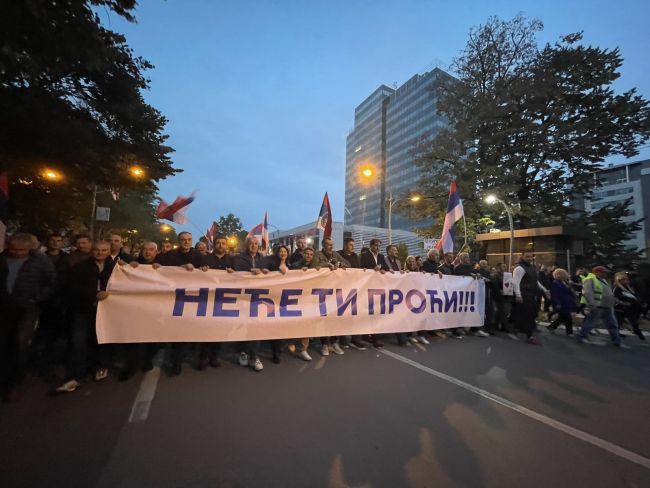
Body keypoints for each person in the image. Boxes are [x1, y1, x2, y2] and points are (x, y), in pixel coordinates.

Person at [0, 233, 56, 402]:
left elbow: (52, 282)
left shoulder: (40, 261)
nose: (17, 253)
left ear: (29, 248)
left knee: (20, 344)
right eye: (13, 249)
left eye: (21, 250)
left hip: (27, 308)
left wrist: (38, 297)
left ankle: (13, 383)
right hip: (4, 307)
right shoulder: (2, 259)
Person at [55, 241, 115, 393]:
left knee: (101, 339)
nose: (100, 253)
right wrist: (93, 295)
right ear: (91, 251)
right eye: (97, 250)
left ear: (109, 251)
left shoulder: (117, 268)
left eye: (104, 250)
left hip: (106, 312)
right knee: (78, 342)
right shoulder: (80, 268)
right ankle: (75, 376)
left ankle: (100, 366)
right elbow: (71, 288)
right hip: (83, 310)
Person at [157, 232, 204, 376]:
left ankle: (184, 361)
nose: (186, 242)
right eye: (183, 240)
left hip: (193, 298)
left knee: (190, 331)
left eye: (189, 240)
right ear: (178, 241)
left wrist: (203, 269)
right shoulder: (169, 256)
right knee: (176, 331)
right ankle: (175, 360)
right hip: (173, 297)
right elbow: (160, 270)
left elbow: (207, 272)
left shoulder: (199, 256)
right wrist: (180, 268)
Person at [117, 241, 161, 381]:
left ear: (156, 252)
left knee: (152, 339)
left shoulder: (163, 266)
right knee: (136, 340)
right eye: (145, 249)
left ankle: (147, 361)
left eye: (151, 249)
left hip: (155, 309)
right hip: (136, 308)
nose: (148, 252)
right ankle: (131, 368)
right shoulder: (133, 263)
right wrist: (127, 267)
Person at [231, 236, 268, 371]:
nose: (253, 246)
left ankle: (254, 356)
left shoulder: (264, 259)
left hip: (258, 298)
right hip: (242, 298)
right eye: (251, 244)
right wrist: (249, 272)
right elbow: (235, 272)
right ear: (247, 245)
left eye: (255, 244)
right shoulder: (238, 258)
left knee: (256, 326)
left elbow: (270, 271)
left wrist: (266, 272)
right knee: (242, 325)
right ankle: (243, 352)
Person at [312, 237, 349, 356]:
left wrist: (339, 263)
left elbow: (348, 264)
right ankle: (324, 344)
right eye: (328, 245)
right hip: (322, 290)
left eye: (332, 245)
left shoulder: (335, 254)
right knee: (324, 317)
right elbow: (314, 265)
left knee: (336, 316)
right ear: (323, 245)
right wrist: (327, 265)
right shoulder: (317, 254)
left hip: (335, 290)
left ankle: (334, 342)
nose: (331, 247)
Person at [578, 266, 627, 348]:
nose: (605, 274)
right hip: (597, 306)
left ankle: (617, 341)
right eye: (603, 272)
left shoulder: (603, 280)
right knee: (590, 322)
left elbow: (608, 293)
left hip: (607, 306)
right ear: (597, 272)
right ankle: (582, 336)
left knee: (613, 324)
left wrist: (616, 301)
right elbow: (587, 293)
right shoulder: (590, 279)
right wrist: (592, 304)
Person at [512, 251, 549, 345]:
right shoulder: (519, 268)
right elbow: (515, 283)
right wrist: (518, 295)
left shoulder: (531, 268)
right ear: (522, 257)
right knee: (527, 315)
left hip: (531, 294)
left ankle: (517, 329)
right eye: (527, 256)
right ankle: (529, 335)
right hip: (524, 294)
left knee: (528, 314)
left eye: (530, 256)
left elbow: (536, 282)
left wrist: (544, 290)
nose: (529, 258)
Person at [337, 238, 367, 350]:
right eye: (350, 245)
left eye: (353, 245)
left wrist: (363, 270)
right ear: (345, 245)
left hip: (354, 289)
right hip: (341, 288)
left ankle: (356, 340)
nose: (352, 247)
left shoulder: (355, 256)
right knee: (343, 315)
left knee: (356, 315)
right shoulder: (338, 254)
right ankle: (343, 340)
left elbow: (357, 269)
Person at [288, 247, 316, 361]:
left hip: (309, 299)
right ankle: (290, 343)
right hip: (296, 298)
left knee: (307, 323)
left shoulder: (316, 266)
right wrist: (300, 271)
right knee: (293, 323)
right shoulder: (295, 265)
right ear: (303, 254)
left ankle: (303, 350)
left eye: (311, 254)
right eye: (307, 253)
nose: (309, 256)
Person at [360, 238, 388, 347]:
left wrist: (383, 269)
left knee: (376, 312)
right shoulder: (365, 255)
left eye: (379, 246)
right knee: (367, 312)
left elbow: (385, 266)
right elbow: (362, 267)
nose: (377, 247)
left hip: (378, 287)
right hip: (367, 287)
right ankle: (366, 335)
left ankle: (375, 338)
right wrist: (373, 268)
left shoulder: (381, 257)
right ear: (371, 245)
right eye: (376, 245)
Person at [266, 245, 291, 363]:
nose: (282, 253)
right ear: (277, 253)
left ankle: (279, 350)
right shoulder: (271, 264)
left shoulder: (291, 265)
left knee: (282, 326)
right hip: (273, 299)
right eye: (280, 251)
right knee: (274, 326)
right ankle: (275, 352)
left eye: (284, 251)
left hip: (286, 300)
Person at [613, 272, 645, 341]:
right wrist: (628, 301)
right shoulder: (617, 288)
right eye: (624, 279)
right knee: (618, 321)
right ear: (620, 280)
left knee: (633, 321)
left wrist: (636, 301)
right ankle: (616, 335)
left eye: (627, 279)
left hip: (629, 308)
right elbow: (617, 297)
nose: (627, 280)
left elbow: (634, 295)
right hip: (619, 307)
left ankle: (638, 332)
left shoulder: (628, 287)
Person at [548, 268, 579, 336]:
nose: (560, 276)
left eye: (562, 274)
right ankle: (569, 332)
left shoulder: (565, 282)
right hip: (561, 303)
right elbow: (554, 294)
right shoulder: (555, 283)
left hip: (567, 302)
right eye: (558, 274)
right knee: (567, 318)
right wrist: (557, 303)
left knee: (562, 317)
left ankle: (552, 327)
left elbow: (569, 291)